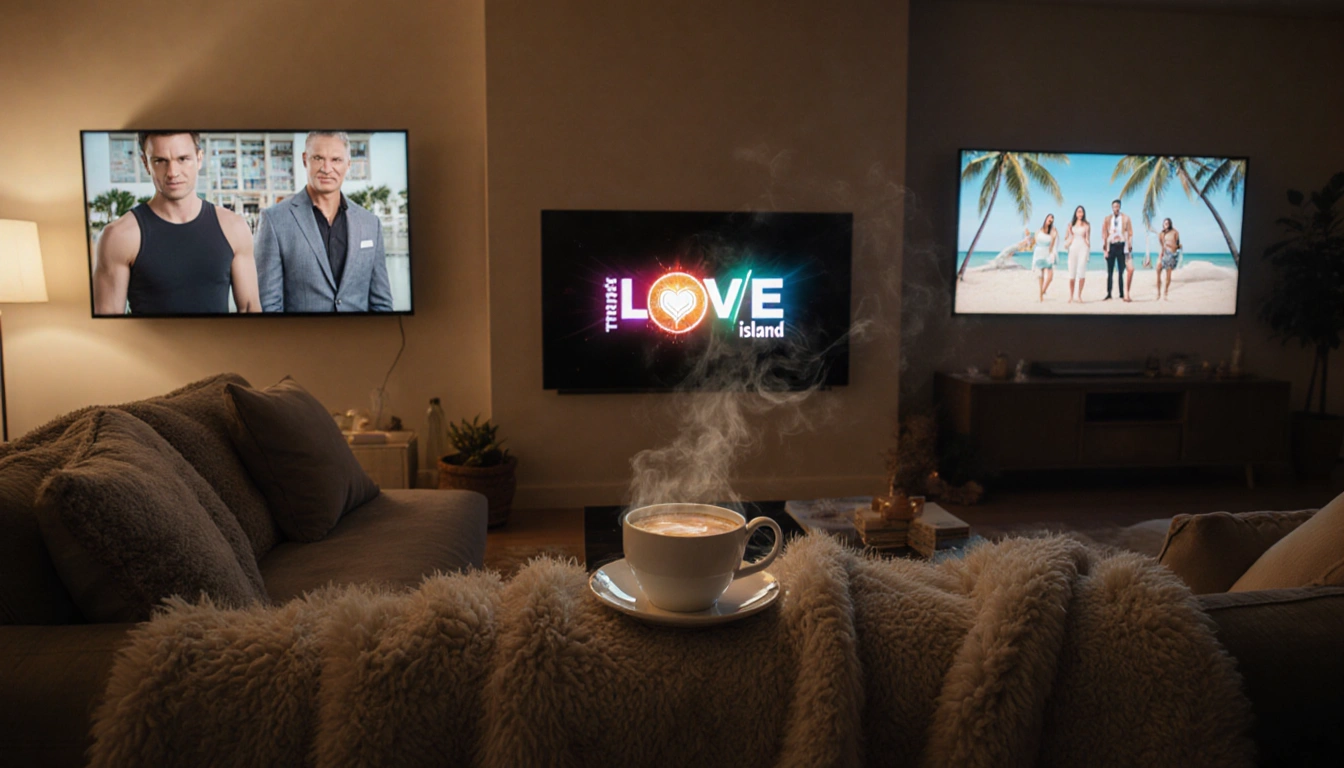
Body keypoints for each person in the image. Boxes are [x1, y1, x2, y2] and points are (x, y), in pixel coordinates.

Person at [93, 132, 260, 315]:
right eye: (160, 160)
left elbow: (250, 309)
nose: (173, 172)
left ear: (199, 159)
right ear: (145, 163)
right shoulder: (119, 236)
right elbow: (108, 323)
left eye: (183, 159)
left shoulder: (234, 227)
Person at [254, 131, 394, 312]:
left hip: (360, 339)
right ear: (305, 160)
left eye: (336, 160)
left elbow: (382, 304)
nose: (327, 169)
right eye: (318, 158)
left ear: (348, 164)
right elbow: (268, 307)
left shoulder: (370, 224)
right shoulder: (274, 221)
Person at [1099, 198, 1134, 301]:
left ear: (1120, 207)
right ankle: (1109, 293)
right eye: (1114, 207)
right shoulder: (1107, 219)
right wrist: (1105, 249)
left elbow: (1130, 233)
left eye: (1117, 206)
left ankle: (1122, 293)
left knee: (1121, 271)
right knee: (1109, 272)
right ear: (1112, 208)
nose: (1116, 208)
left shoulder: (1126, 218)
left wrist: (1129, 245)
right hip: (1111, 246)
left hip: (1122, 246)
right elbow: (1104, 234)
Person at [1063, 206, 1091, 303]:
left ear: (1083, 213)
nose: (1080, 213)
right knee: (1072, 273)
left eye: (1081, 212)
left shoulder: (1087, 225)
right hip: (1073, 248)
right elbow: (1068, 237)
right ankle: (1071, 296)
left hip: (1083, 248)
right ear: (1075, 213)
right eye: (1078, 212)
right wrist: (1068, 239)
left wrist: (1088, 249)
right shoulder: (1071, 224)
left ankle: (1079, 295)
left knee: (1082, 272)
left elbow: (1087, 239)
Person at [1031, 213, 1059, 302]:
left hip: (1048, 253)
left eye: (1052, 219)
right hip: (1039, 252)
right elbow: (1034, 243)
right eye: (1049, 217)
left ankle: (1042, 292)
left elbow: (1052, 245)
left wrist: (1054, 238)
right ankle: (1041, 295)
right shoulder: (1038, 231)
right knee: (1041, 274)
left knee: (1050, 277)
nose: (1051, 219)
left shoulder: (1053, 231)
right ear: (1046, 218)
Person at [1156, 217, 1182, 301]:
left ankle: (1165, 292)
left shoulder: (1175, 232)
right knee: (1158, 271)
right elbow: (1161, 246)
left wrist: (1176, 247)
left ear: (1170, 224)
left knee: (1168, 276)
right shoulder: (1161, 234)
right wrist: (1160, 257)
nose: (1166, 224)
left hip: (1171, 255)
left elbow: (1177, 245)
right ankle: (1158, 293)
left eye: (1167, 223)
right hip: (1164, 254)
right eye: (1164, 223)